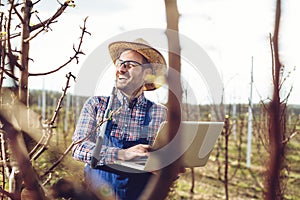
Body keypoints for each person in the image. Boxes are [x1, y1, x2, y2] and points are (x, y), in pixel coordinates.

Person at [71, 38, 168, 200]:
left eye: (130, 64)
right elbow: (78, 148)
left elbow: (164, 162)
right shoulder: (96, 105)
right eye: (119, 63)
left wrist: (168, 168)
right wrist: (122, 154)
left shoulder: (159, 113)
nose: (121, 69)